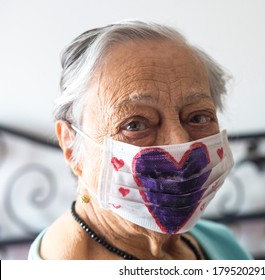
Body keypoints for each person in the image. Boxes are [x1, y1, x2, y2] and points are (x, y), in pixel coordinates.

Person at [28, 20, 252, 260]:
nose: (179, 143)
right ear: (71, 146)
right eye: (134, 124)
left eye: (197, 117)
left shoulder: (220, 243)